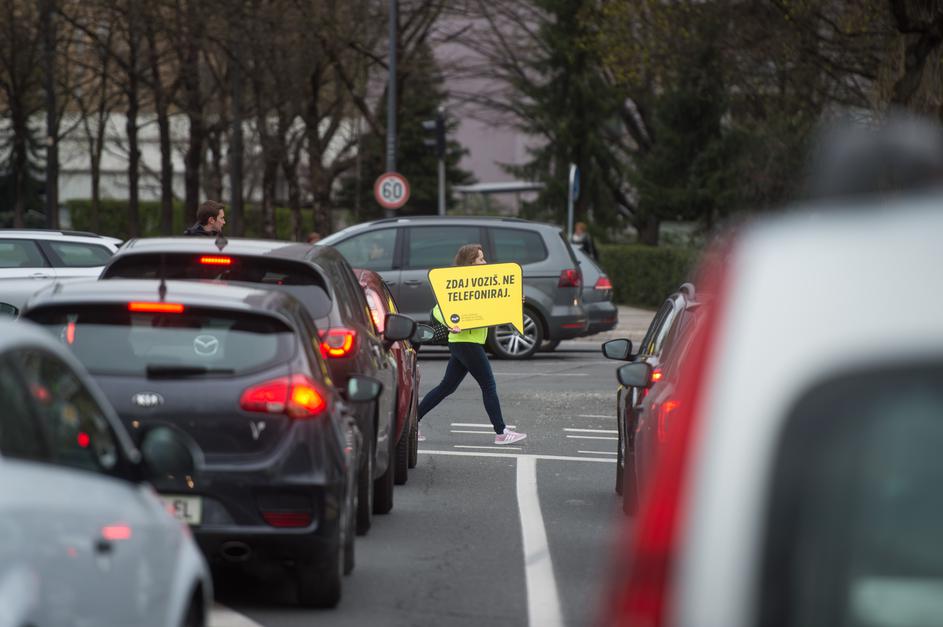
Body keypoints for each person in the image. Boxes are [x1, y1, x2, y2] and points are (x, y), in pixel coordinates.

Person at [416, 244, 527, 445]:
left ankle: (411, 422)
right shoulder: (460, 284)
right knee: (488, 385)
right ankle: (501, 432)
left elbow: (490, 309)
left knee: (446, 387)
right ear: (470, 263)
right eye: (481, 259)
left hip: (465, 343)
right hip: (466, 342)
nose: (485, 262)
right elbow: (438, 310)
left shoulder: (478, 286)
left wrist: (514, 301)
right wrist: (451, 323)